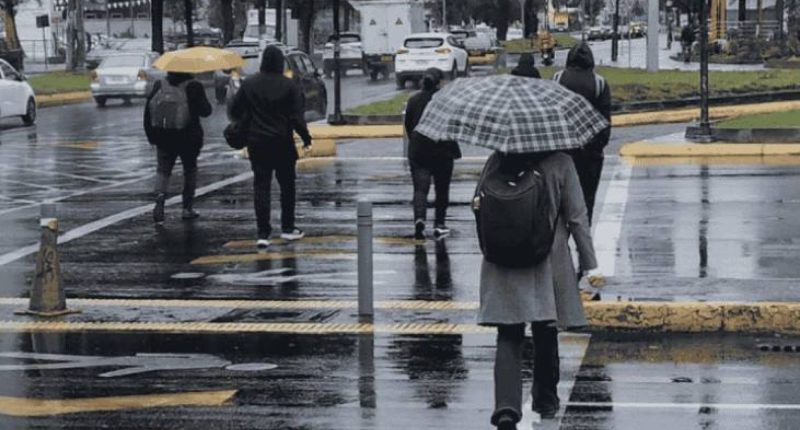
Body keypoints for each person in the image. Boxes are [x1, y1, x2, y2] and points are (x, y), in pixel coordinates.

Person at [478, 151, 599, 429]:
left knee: (508, 332)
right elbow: (577, 216)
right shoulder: (560, 162)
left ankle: (506, 406)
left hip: (504, 258)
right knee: (546, 329)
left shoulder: (498, 158)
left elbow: (478, 204)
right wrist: (589, 263)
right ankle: (545, 400)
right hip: (548, 256)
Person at [230, 45, 313, 248]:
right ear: (279, 63)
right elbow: (296, 117)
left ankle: (262, 233)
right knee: (287, 186)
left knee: (261, 185)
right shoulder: (289, 85)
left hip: (257, 142)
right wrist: (306, 138)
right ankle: (287, 227)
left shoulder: (250, 84)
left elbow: (234, 109)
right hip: (282, 142)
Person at [553, 42, 611, 224]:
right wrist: (596, 146)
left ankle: (562, 245)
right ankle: (583, 242)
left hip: (563, 151)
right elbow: (605, 121)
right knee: (587, 201)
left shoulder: (558, 79)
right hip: (590, 154)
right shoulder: (599, 83)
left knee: (561, 203)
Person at [144, 71, 212, 224]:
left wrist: (151, 136)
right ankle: (187, 208)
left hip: (163, 136)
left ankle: (160, 200)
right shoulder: (194, 86)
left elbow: (148, 111)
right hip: (188, 138)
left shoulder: (160, 84)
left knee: (163, 170)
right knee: (190, 170)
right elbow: (206, 111)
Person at [404, 68, 461, 240]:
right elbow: (454, 126)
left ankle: (419, 219)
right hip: (442, 149)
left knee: (420, 189)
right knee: (441, 189)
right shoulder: (447, 101)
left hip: (419, 150)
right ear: (439, 82)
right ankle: (439, 223)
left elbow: (409, 126)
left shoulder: (413, 101)